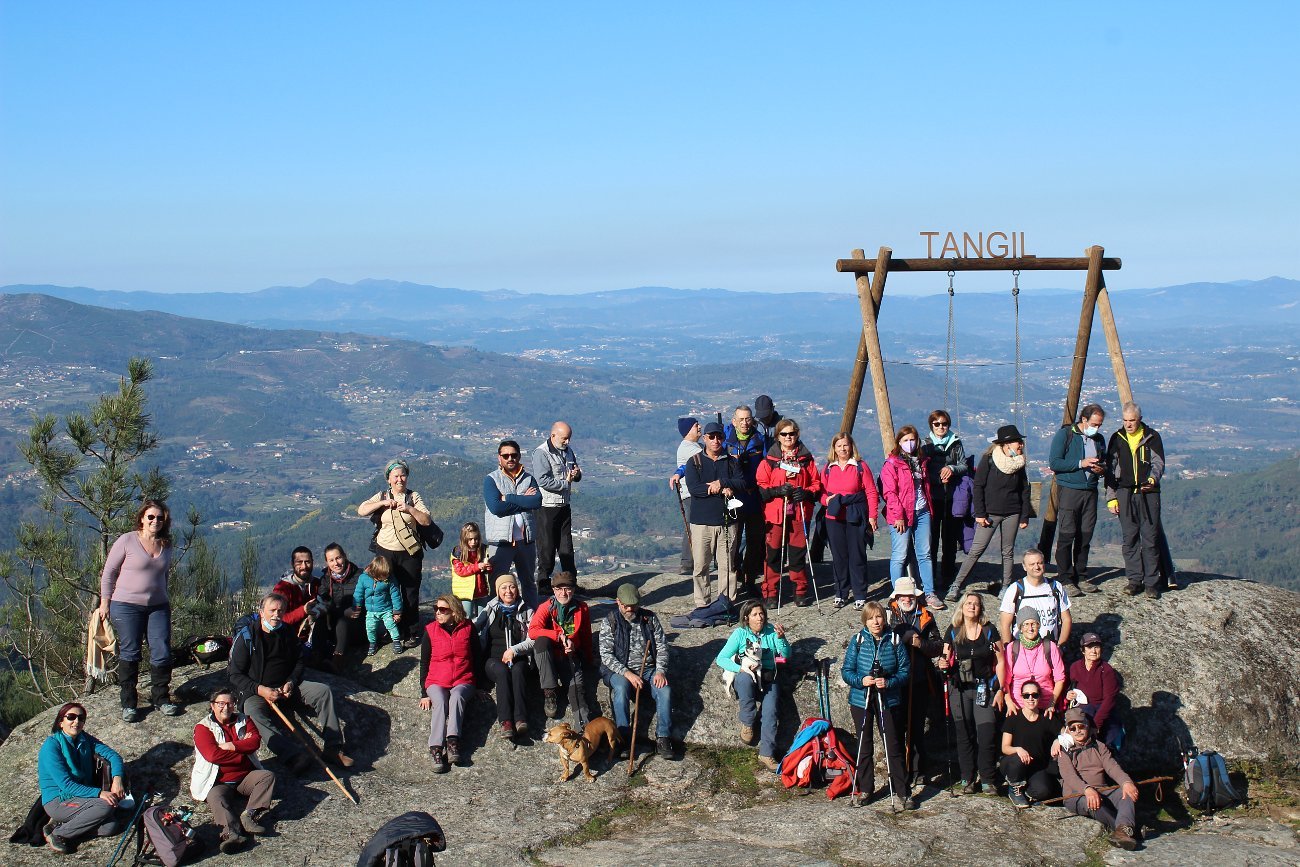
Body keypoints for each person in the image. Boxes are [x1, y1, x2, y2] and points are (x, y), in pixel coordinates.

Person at [228, 593, 353, 774]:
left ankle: (333, 748)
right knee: (253, 712)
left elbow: (299, 661)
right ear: (261, 612)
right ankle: (293, 756)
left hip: (286, 687)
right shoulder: (247, 637)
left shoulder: (287, 632)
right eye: (272, 610)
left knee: (322, 692)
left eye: (280, 611)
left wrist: (291, 681)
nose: (276, 615)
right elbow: (234, 674)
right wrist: (260, 689)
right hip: (257, 691)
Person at [98, 499, 180, 722]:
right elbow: (109, 573)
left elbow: (164, 574)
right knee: (131, 651)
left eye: (160, 517)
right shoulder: (127, 540)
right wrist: (105, 603)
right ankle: (129, 703)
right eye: (150, 516)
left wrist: (163, 595)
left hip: (158, 606)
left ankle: (161, 698)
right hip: (126, 605)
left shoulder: (166, 545)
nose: (155, 521)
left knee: (161, 649)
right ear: (142, 518)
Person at [948, 424, 1032, 601]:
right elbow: (978, 486)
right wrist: (980, 513)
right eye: (1018, 441)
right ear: (1006, 444)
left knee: (1007, 551)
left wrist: (1024, 515)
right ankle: (956, 585)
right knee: (976, 550)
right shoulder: (989, 460)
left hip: (1012, 512)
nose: (1021, 445)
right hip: (989, 514)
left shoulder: (1019, 463)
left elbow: (1024, 489)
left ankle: (1006, 587)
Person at [841, 602, 912, 811]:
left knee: (893, 745)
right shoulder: (858, 640)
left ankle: (903, 792)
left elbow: (905, 671)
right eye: (871, 618)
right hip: (861, 699)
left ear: (884, 618)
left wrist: (888, 682)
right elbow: (847, 671)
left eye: (879, 616)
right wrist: (861, 680)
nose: (876, 622)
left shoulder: (894, 640)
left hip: (887, 699)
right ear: (865, 621)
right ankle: (866, 789)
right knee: (864, 744)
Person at [190, 687, 275, 854]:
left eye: (230, 703)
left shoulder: (244, 720)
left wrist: (230, 745)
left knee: (267, 777)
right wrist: (242, 750)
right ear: (212, 705)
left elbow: (255, 742)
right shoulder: (203, 728)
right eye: (221, 703)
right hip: (218, 781)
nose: (226, 707)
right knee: (217, 799)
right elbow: (212, 755)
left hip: (245, 777)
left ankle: (249, 816)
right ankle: (231, 834)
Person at [357, 459, 433, 644]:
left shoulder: (413, 496)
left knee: (410, 592)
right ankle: (390, 629)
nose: (400, 479)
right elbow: (362, 510)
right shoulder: (382, 495)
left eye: (403, 475)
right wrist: (382, 503)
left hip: (410, 553)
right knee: (385, 591)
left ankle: (411, 631)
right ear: (388, 479)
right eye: (396, 476)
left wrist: (409, 509)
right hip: (385, 552)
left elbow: (426, 520)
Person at [938, 592, 1006, 794]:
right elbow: (944, 657)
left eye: (976, 604)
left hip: (984, 687)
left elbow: (1001, 661)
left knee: (986, 734)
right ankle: (967, 778)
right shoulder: (953, 630)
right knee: (964, 735)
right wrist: (942, 664)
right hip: (959, 689)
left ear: (981, 608)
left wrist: (1001, 689)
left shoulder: (989, 630)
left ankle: (987, 779)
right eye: (968, 603)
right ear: (962, 606)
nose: (972, 607)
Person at [38, 702, 127, 854]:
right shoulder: (51, 746)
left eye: (81, 718)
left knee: (110, 827)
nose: (76, 721)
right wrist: (99, 793)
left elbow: (114, 756)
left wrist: (117, 779)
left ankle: (62, 824)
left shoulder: (84, 739)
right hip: (59, 800)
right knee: (105, 805)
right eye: (71, 717)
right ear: (60, 722)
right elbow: (66, 785)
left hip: (81, 797)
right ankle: (58, 834)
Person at [599, 583, 675, 760]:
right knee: (621, 688)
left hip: (648, 670)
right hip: (619, 671)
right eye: (626, 605)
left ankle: (663, 737)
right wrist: (627, 673)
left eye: (633, 605)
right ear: (618, 602)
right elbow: (606, 655)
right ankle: (623, 738)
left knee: (665, 691)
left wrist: (660, 671)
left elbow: (662, 647)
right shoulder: (610, 621)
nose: (630, 609)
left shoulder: (650, 619)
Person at [714, 599, 789, 771]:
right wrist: (740, 668)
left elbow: (785, 655)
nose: (759, 618)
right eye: (755, 614)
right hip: (746, 679)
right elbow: (721, 659)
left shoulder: (771, 631)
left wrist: (782, 639)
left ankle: (766, 754)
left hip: (768, 677)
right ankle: (748, 722)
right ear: (746, 618)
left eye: (761, 614)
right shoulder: (740, 634)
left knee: (771, 712)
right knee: (744, 678)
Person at [755, 418, 822, 609]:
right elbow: (761, 485)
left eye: (791, 433)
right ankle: (770, 593)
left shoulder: (806, 459)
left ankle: (800, 591)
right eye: (784, 434)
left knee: (797, 554)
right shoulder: (770, 460)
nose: (788, 437)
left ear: (797, 434)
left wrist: (806, 493)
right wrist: (776, 491)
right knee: (773, 554)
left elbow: (816, 483)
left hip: (799, 512)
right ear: (778, 436)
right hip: (775, 513)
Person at [1057, 706, 1141, 850]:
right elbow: (1069, 776)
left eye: (1081, 726)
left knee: (1126, 794)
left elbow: (1112, 767)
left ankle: (1122, 831)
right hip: (1076, 795)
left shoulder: (1099, 746)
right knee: (1093, 804)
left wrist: (1126, 782)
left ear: (1087, 726)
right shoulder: (1063, 751)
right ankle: (1128, 831)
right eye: (1073, 728)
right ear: (1068, 731)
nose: (1077, 731)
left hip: (1102, 790)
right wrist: (1087, 789)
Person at [887, 577, 944, 789]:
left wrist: (921, 644)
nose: (906, 599)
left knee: (916, 727)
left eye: (910, 595)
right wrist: (902, 639)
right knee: (896, 728)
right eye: (903, 596)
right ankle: (900, 771)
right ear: (896, 597)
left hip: (919, 680)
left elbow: (938, 646)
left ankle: (917, 770)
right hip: (895, 681)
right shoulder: (887, 616)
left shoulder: (926, 615)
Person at [1105, 402, 1166, 599]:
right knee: (1129, 538)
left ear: (1139, 419)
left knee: (1150, 538)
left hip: (1148, 493)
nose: (1128, 424)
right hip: (1124, 492)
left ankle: (1151, 583)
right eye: (1125, 420)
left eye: (1132, 420)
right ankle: (1134, 580)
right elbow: (1110, 470)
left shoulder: (1152, 437)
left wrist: (1152, 480)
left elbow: (1158, 463)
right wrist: (1111, 498)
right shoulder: (1117, 438)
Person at [684, 420, 745, 608]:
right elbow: (694, 489)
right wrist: (717, 488)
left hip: (727, 522)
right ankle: (702, 604)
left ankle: (726, 603)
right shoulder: (694, 462)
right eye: (711, 437)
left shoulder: (732, 462)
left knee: (727, 566)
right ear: (704, 438)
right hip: (701, 523)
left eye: (719, 437)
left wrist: (723, 482)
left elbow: (741, 483)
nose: (715, 440)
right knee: (701, 566)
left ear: (723, 438)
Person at [1047, 404, 1106, 594]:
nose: (1097, 428)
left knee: (1085, 534)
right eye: (1094, 424)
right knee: (1067, 534)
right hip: (1070, 489)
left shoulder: (1099, 440)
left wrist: (1101, 469)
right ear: (1084, 419)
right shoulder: (1065, 435)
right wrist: (1081, 463)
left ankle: (1081, 575)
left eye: (1099, 425)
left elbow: (1105, 461)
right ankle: (1065, 577)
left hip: (1090, 490)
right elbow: (1055, 462)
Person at [881, 425, 941, 609]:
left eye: (912, 439)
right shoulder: (892, 464)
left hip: (922, 511)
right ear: (899, 442)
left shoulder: (921, 461)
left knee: (925, 554)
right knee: (899, 555)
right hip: (901, 515)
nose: (909, 443)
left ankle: (929, 593)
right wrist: (898, 516)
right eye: (905, 440)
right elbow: (890, 492)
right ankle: (898, 595)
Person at [472, 573, 535, 742]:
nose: (508, 591)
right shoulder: (490, 609)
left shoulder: (527, 611)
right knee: (501, 672)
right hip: (493, 660)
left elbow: (533, 638)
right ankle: (506, 721)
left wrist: (515, 650)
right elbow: (474, 625)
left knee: (518, 671)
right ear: (498, 591)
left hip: (519, 658)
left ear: (517, 589)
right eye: (504, 587)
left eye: (512, 587)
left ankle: (520, 719)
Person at [820, 432, 879, 610]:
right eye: (839, 445)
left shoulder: (860, 466)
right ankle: (841, 593)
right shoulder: (828, 468)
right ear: (834, 448)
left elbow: (871, 492)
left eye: (845, 445)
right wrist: (826, 501)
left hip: (856, 515)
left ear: (851, 446)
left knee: (857, 556)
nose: (843, 449)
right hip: (834, 517)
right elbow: (822, 492)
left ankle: (860, 594)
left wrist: (873, 516)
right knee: (839, 557)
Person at [528, 571, 593, 727]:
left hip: (569, 657)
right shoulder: (546, 607)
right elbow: (533, 631)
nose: (563, 593)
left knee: (577, 693)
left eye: (567, 588)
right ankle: (550, 692)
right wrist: (558, 636)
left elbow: (586, 636)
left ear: (573, 589)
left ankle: (583, 729)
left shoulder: (582, 608)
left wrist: (589, 659)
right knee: (541, 642)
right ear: (554, 590)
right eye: (559, 589)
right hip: (549, 658)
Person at [483, 440, 543, 607]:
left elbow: (536, 501)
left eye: (514, 455)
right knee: (496, 584)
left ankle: (531, 617)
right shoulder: (491, 479)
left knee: (529, 582)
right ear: (499, 458)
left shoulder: (528, 478)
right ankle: (496, 618)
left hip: (526, 541)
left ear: (519, 456)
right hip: (501, 541)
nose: (510, 458)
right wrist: (524, 500)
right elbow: (496, 508)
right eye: (506, 455)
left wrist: (508, 498)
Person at [419, 594, 474, 773]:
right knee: (440, 701)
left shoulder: (468, 628)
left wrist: (481, 685)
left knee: (457, 697)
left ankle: (452, 742)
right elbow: (424, 662)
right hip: (436, 681)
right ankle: (436, 748)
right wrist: (424, 693)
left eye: (442, 610)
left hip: (463, 679)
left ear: (454, 611)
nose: (437, 613)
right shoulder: (430, 630)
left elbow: (477, 656)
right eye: (436, 609)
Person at [724, 405, 770, 599]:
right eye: (741, 419)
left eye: (748, 419)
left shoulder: (760, 440)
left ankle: (749, 581)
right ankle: (734, 578)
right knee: (733, 543)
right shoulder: (725, 440)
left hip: (754, 498)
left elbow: (768, 464)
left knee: (754, 542)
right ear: (734, 421)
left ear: (752, 420)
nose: (745, 423)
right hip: (734, 498)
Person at [920, 410, 968, 596]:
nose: (941, 427)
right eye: (937, 424)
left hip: (952, 497)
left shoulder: (955, 442)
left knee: (949, 539)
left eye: (944, 424)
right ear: (931, 425)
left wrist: (951, 468)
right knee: (931, 539)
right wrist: (937, 478)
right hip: (932, 498)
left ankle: (948, 576)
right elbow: (921, 469)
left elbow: (963, 465)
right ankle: (930, 577)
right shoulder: (925, 445)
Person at [532, 421, 582, 596]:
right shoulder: (541, 453)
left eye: (569, 438)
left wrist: (577, 474)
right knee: (546, 547)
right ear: (553, 435)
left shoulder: (568, 451)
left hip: (564, 505)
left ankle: (571, 583)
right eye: (564, 438)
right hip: (546, 507)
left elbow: (574, 472)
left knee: (566, 547)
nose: (567, 442)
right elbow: (542, 480)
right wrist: (565, 483)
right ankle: (544, 584)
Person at [1000, 680, 1062, 808]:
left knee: (1043, 791)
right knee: (1018, 760)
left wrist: (1058, 740)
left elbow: (1066, 733)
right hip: (1014, 764)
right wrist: (1018, 749)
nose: (1030, 698)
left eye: (1035, 695)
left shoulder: (1047, 717)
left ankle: (1025, 791)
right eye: (1026, 695)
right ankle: (1014, 788)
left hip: (1037, 767)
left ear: (1040, 697)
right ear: (1022, 696)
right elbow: (1005, 748)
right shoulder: (1013, 717)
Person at [997, 548, 1073, 646]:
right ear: (1024, 567)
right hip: (1022, 648)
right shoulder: (1015, 589)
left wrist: (1060, 646)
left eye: (1039, 563)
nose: (1036, 567)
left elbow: (1066, 619)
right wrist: (1008, 649)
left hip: (1051, 647)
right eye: (1032, 564)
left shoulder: (1056, 587)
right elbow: (1005, 625)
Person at [1003, 607, 1066, 716]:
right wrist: (1009, 702)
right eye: (1026, 624)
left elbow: (1060, 678)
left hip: (1046, 707)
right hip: (1018, 706)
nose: (1030, 628)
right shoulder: (1012, 648)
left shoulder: (1050, 647)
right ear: (1020, 628)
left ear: (1039, 625)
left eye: (1033, 624)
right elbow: (1004, 680)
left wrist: (1051, 703)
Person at [1066, 633, 1122, 749]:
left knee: (1107, 741)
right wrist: (1068, 694)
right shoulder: (1075, 667)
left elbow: (1109, 700)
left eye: (1096, 647)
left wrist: (1095, 724)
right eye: (1089, 647)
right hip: (1082, 711)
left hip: (1102, 712)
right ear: (1083, 650)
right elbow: (1070, 687)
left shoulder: (1106, 670)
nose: (1093, 651)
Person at [318, 542, 363, 666]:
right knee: (320, 621)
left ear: (344, 556)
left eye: (338, 558)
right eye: (331, 560)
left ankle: (337, 661)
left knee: (343, 622)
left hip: (358, 626)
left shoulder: (360, 576)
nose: (336, 563)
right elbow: (325, 603)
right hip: (334, 627)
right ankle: (316, 657)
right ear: (327, 562)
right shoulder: (325, 580)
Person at [670, 417, 703, 576]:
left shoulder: (694, 446)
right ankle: (687, 563)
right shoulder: (688, 448)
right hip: (691, 494)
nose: (700, 427)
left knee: (694, 526)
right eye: (696, 425)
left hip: (693, 493)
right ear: (689, 430)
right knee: (692, 526)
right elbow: (707, 457)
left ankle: (689, 563)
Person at [272, 546, 322, 645]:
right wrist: (303, 610)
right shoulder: (282, 588)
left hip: (316, 638)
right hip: (288, 640)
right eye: (299, 562)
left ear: (313, 562)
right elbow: (278, 619)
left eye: (307, 562)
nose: (304, 566)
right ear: (292, 564)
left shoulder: (318, 584)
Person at [355, 555, 403, 657]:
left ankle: (396, 641)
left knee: (391, 625)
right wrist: (356, 605)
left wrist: (397, 612)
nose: (385, 578)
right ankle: (372, 643)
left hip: (386, 609)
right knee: (370, 628)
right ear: (375, 572)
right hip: (371, 610)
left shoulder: (390, 579)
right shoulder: (364, 578)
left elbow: (395, 595)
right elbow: (358, 593)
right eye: (383, 576)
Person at [450, 521, 493, 617]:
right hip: (465, 592)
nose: (473, 542)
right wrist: (477, 567)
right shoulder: (458, 552)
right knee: (467, 616)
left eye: (476, 539)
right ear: (464, 538)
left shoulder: (483, 550)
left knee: (484, 616)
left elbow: (487, 570)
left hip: (481, 590)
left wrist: (488, 568)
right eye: (470, 539)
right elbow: (460, 571)